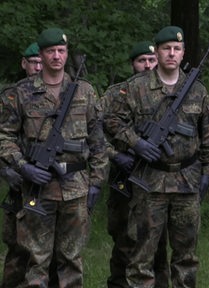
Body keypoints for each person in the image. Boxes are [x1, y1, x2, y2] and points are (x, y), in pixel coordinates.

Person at [105, 25, 209, 287]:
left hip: (187, 181)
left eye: (177, 49)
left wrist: (208, 172)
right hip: (149, 181)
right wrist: (136, 143)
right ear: (157, 51)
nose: (172, 54)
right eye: (167, 48)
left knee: (186, 256)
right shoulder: (136, 87)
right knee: (142, 255)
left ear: (183, 52)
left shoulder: (197, 90)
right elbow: (111, 120)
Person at [0, 27, 108, 287]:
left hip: (76, 188)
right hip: (38, 190)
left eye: (61, 51)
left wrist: (96, 182)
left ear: (66, 53)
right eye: (50, 51)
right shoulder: (20, 93)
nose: (56, 56)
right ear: (42, 54)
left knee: (71, 260)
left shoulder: (84, 91)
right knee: (35, 260)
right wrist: (23, 167)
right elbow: (4, 137)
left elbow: (98, 141)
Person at [102, 40, 169, 288]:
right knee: (124, 239)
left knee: (158, 240)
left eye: (152, 60)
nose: (148, 65)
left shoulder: (167, 93)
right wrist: (116, 155)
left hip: (157, 179)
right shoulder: (115, 93)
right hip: (124, 177)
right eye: (142, 60)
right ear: (133, 64)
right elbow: (96, 134)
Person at [0, 41, 42, 288]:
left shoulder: (59, 93)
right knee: (17, 247)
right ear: (24, 64)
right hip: (18, 182)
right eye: (33, 62)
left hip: (46, 182)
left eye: (41, 62)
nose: (38, 67)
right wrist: (6, 171)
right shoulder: (10, 96)